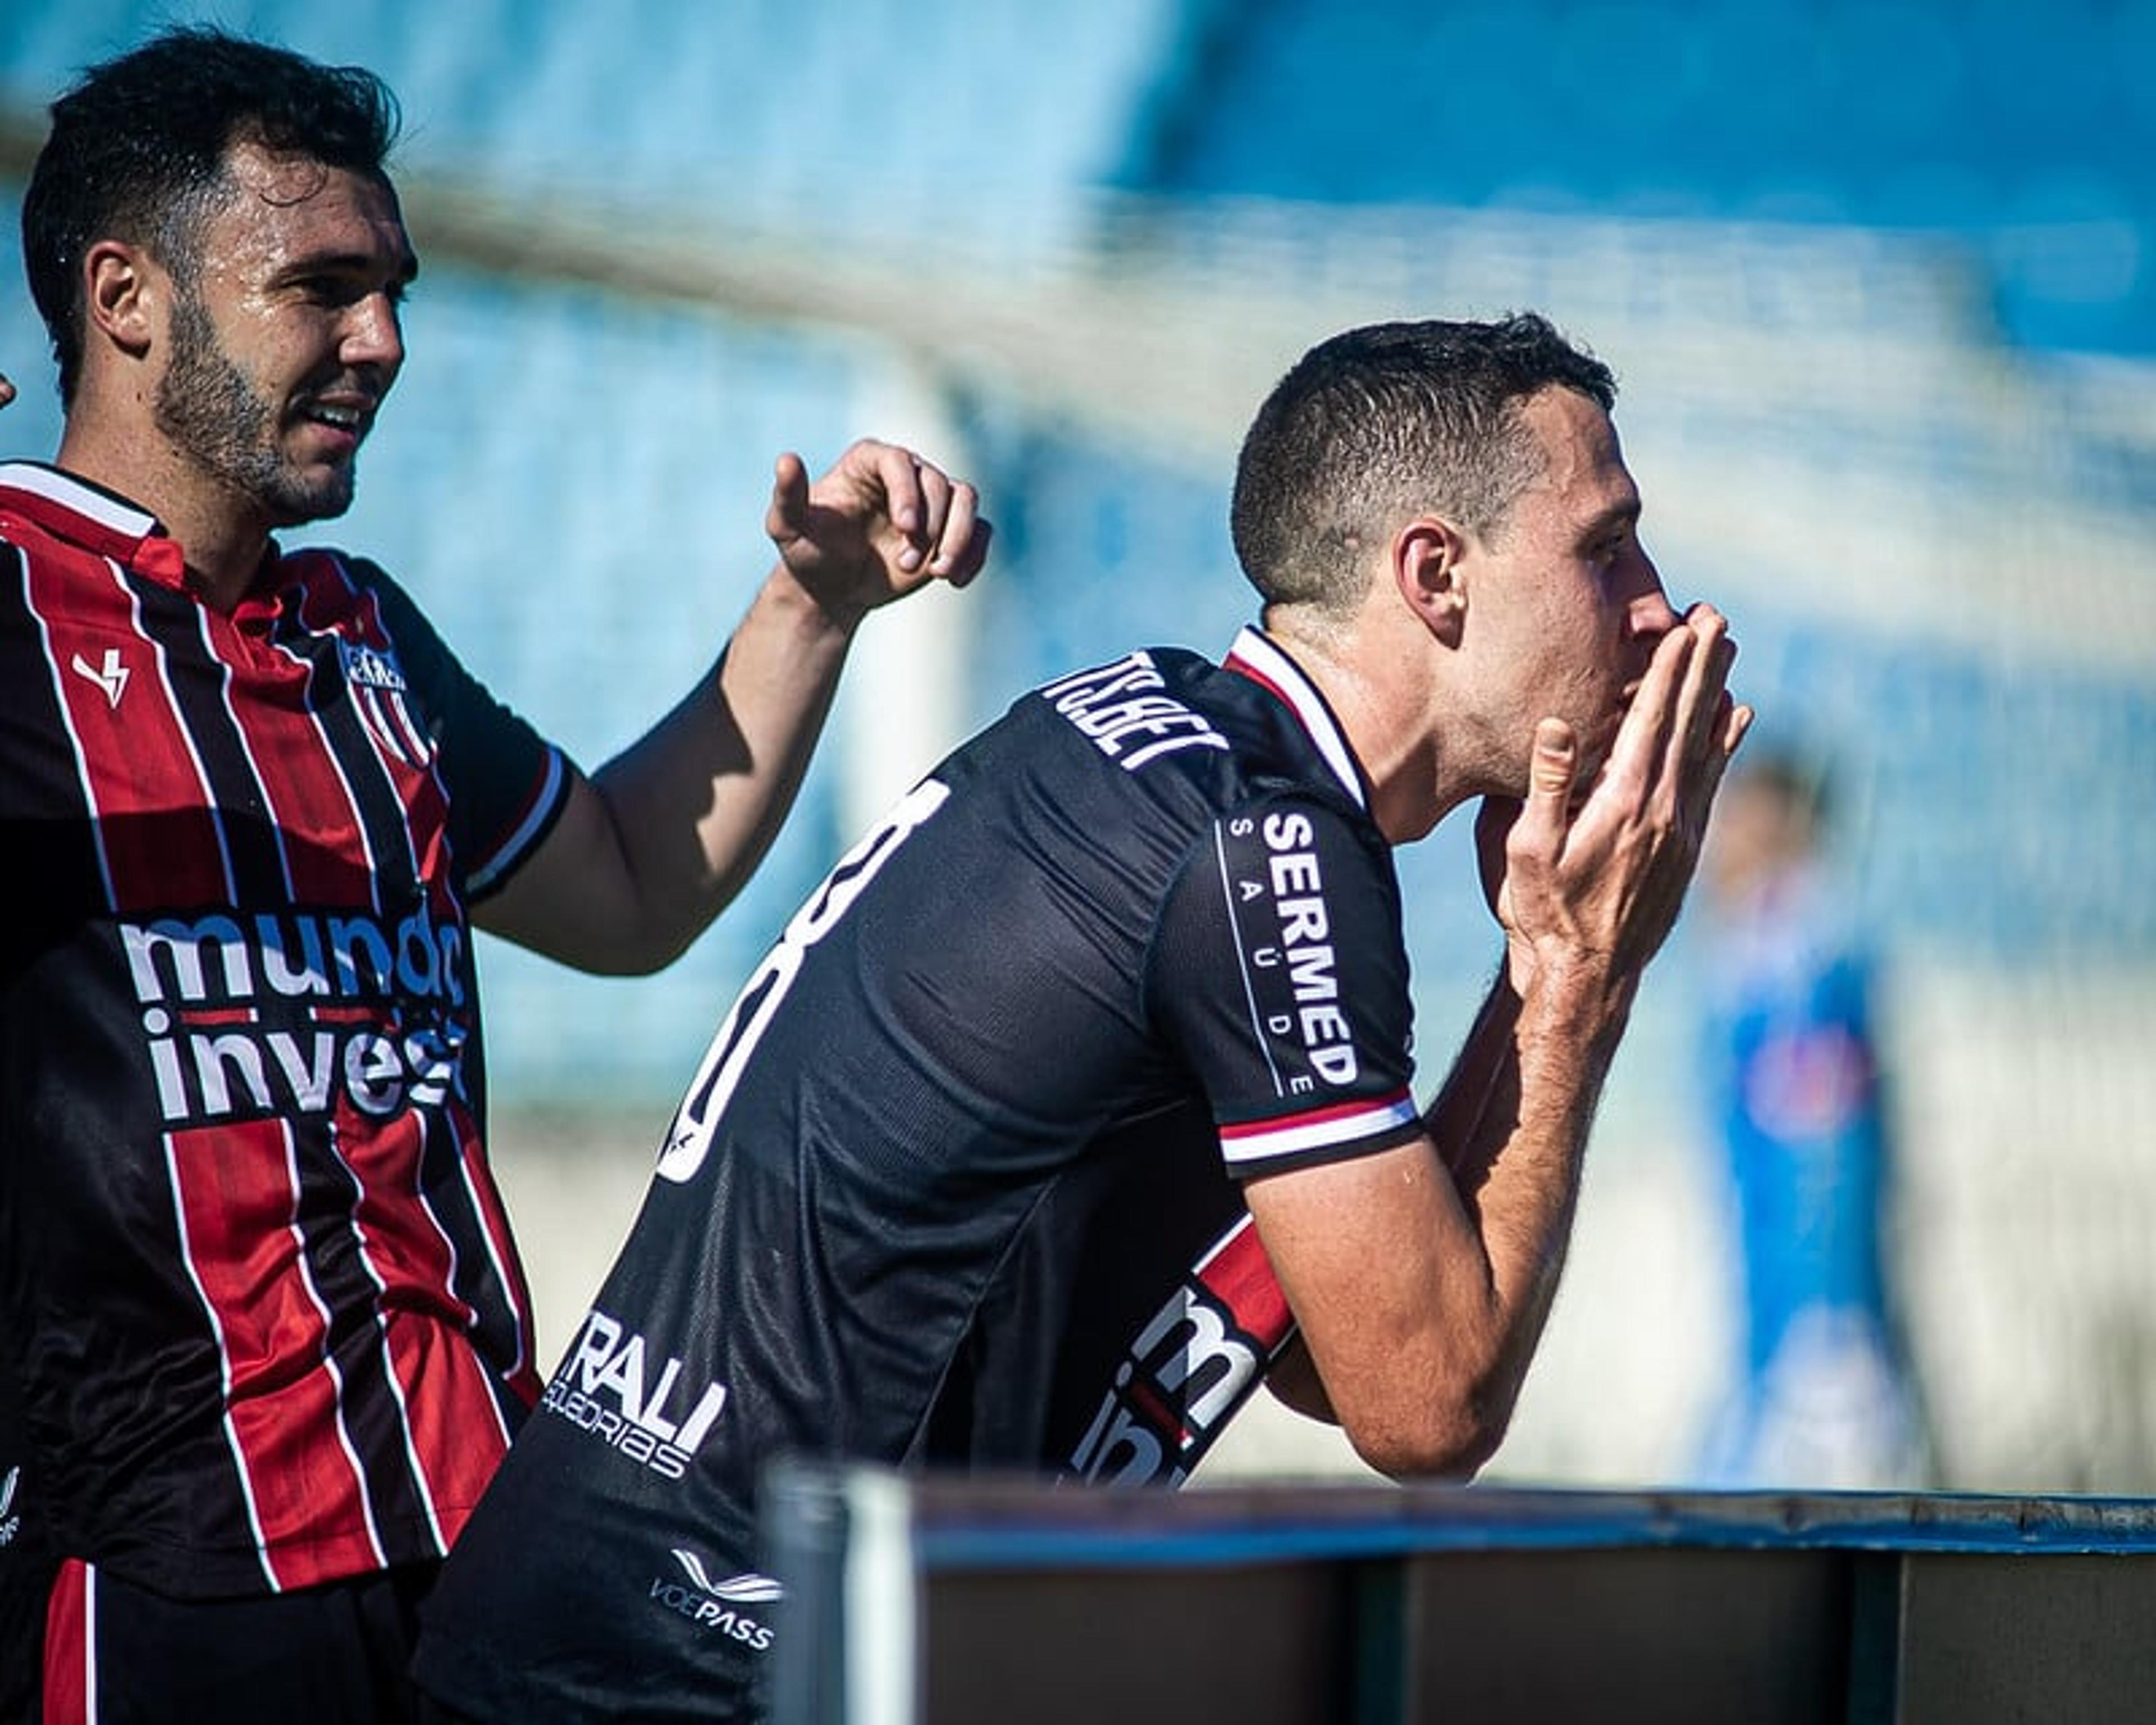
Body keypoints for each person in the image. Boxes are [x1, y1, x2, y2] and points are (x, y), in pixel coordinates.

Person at [412, 312, 1751, 1721]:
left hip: (583, 1629)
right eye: (1606, 548)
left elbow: (1342, 1342)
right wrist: (1588, 972)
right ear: (1435, 576)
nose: (1657, 605)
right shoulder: (1267, 848)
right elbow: (1428, 1405)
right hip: (689, 1678)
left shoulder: (1143, 736)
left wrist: (1543, 968)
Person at [0, 24, 988, 1723]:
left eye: (393, 288)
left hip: (477, 1556)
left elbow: (624, 888)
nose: (381, 342)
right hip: (170, 1596)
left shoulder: (361, 636)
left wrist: (811, 606)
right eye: (319, 286)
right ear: (127, 295)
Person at [1689, 747, 1933, 1489]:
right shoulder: (1780, 951)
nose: (1710, 838)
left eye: (1732, 816)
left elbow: (1825, 1170)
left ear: (1776, 828)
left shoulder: (1793, 961)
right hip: (1794, 1342)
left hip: (1815, 1366)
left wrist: (1826, 1347)